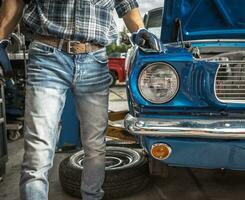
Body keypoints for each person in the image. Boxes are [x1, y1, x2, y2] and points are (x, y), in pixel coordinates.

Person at [0, 0, 162, 199]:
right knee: (38, 149)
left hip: (95, 59)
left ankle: (92, 196)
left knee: (95, 146)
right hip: (47, 56)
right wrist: (1, 37)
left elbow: (126, 4)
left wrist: (140, 30)